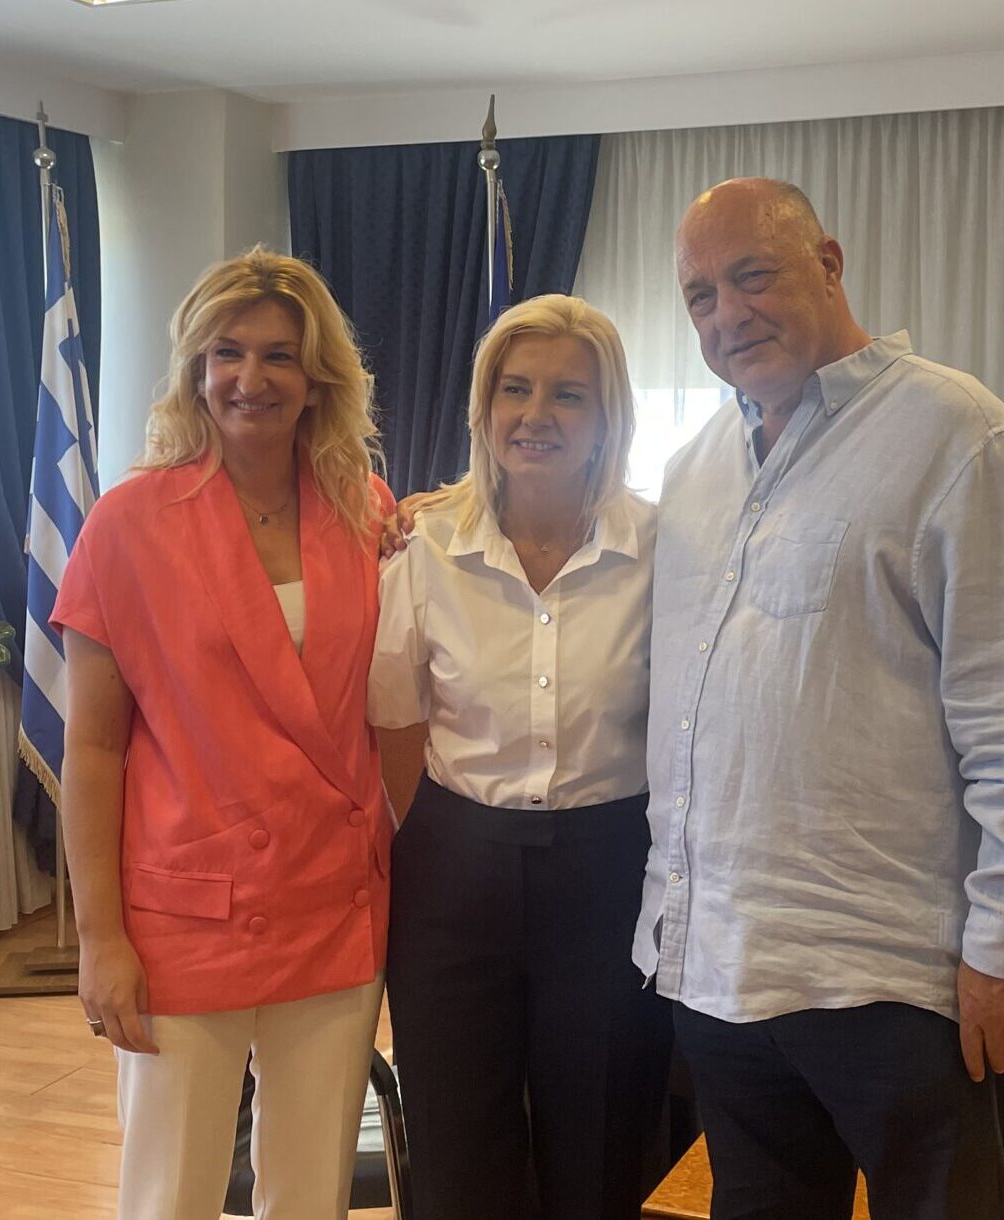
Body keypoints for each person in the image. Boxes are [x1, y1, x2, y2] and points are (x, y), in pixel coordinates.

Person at [636, 177, 1004, 1220]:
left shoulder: (957, 434)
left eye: (753, 276)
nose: (727, 314)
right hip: (720, 971)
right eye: (701, 295)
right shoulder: (696, 467)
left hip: (898, 980)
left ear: (830, 265)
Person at [52, 247, 394, 1220]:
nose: (252, 377)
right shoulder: (127, 524)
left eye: (280, 355)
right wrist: (99, 938)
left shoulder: (364, 509)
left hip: (331, 899)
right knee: (171, 1193)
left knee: (311, 1194)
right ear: (196, 370)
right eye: (228, 353)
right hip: (184, 916)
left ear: (317, 377)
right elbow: (94, 749)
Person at [369, 294, 673, 1220]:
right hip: (455, 874)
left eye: (568, 395)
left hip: (611, 869)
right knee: (459, 1140)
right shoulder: (424, 544)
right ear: (484, 406)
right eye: (515, 389)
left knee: (603, 1141)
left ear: (608, 416)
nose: (536, 415)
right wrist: (443, 838)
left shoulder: (663, 549)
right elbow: (393, 717)